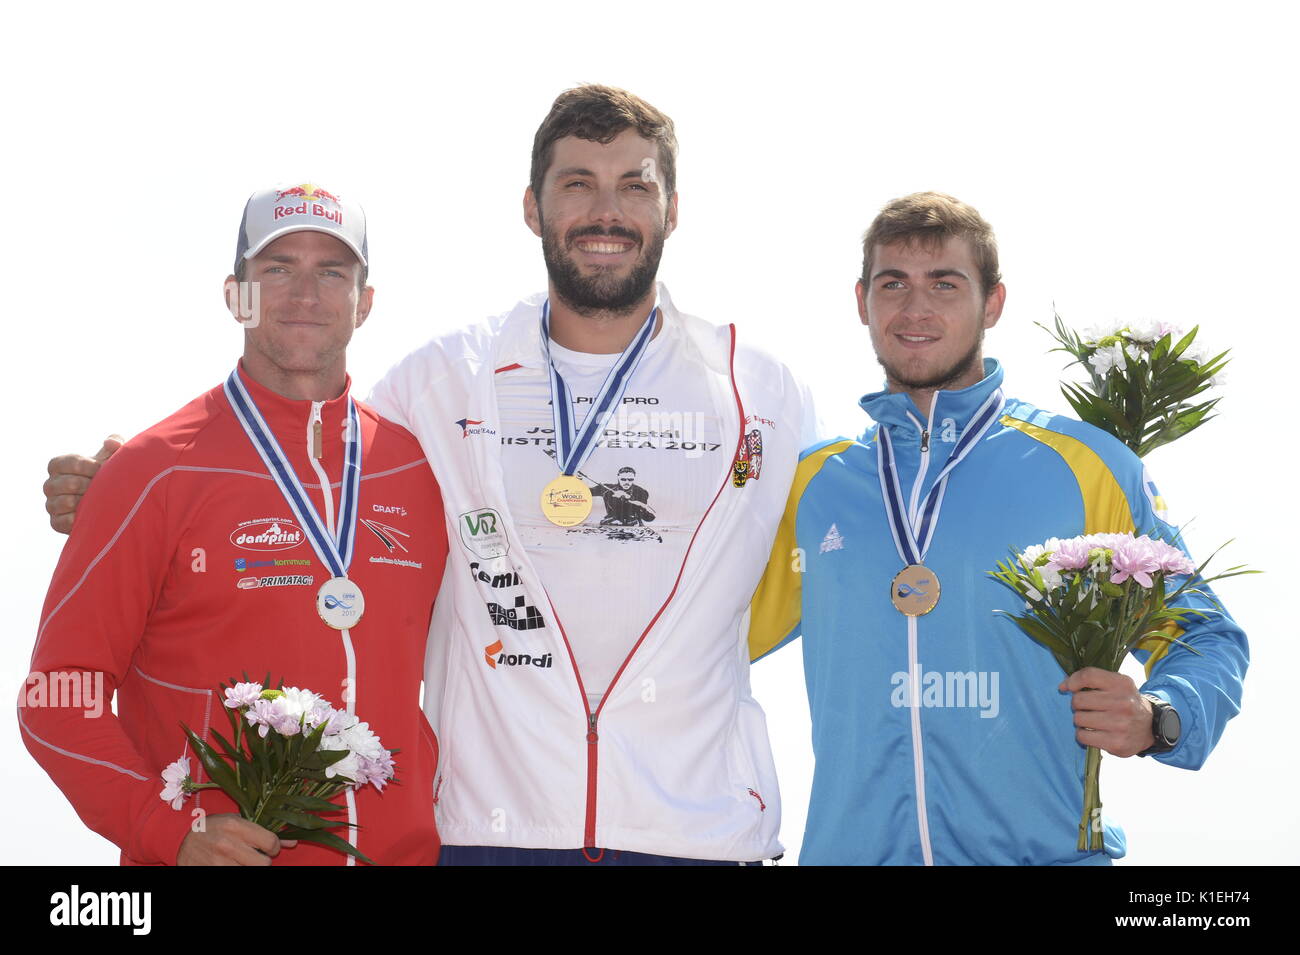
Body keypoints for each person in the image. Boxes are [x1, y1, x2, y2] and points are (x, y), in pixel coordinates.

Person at [44, 88, 817, 865]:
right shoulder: (439, 386)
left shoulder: (762, 391)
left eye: (635, 185)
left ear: (672, 208)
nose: (605, 211)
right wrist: (123, 478)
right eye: (577, 182)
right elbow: (287, 443)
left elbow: (861, 511)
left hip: (690, 832)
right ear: (532, 206)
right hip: (488, 835)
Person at [747, 191, 1249, 865]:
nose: (915, 308)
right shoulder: (812, 483)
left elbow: (1206, 634)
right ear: (862, 300)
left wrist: (1159, 715)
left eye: (945, 284)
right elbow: (697, 635)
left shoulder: (1086, 465)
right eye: (893, 284)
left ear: (994, 303)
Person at [23, 184, 448, 865]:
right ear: (235, 295)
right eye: (277, 268)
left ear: (365, 302)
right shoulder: (152, 471)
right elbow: (56, 696)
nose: (304, 294)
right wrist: (168, 831)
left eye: (331, 271)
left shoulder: (422, 471)